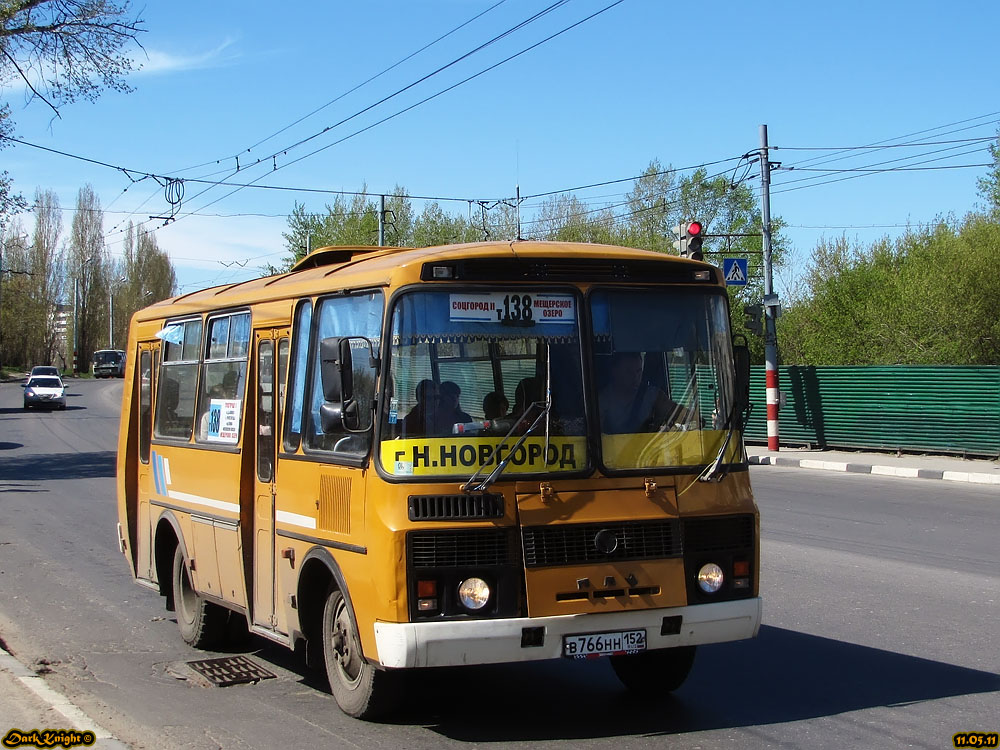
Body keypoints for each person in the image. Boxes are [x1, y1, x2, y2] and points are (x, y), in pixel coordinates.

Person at [598, 352, 690, 434]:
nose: (635, 377)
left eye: (638, 371)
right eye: (628, 372)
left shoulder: (652, 396)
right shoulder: (602, 401)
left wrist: (694, 418)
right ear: (615, 372)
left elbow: (676, 412)